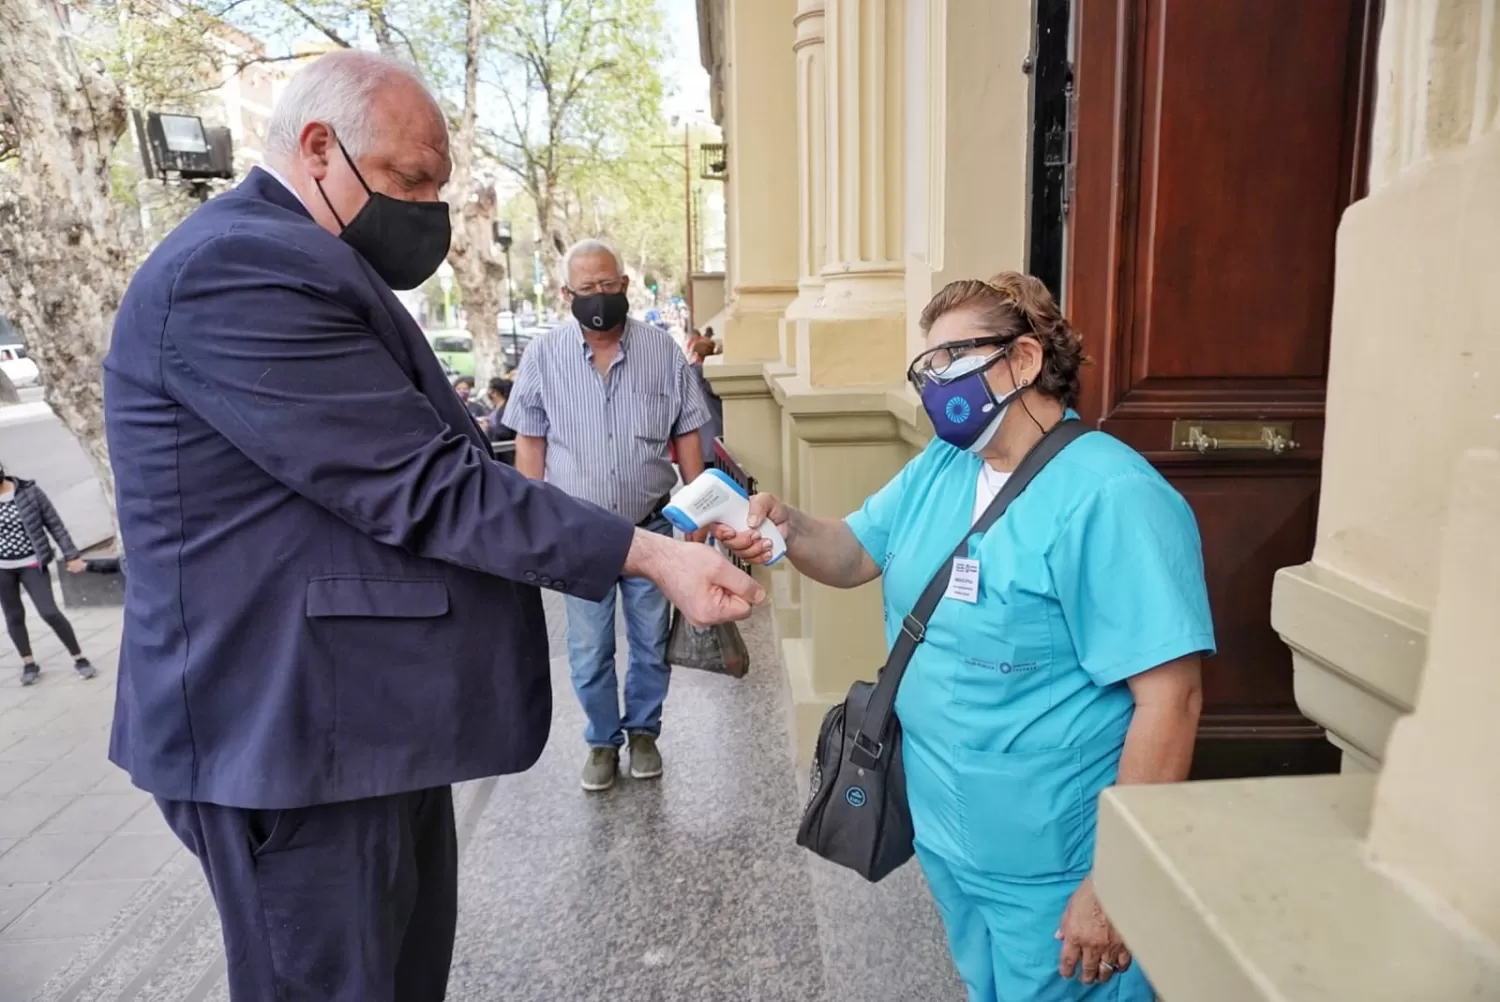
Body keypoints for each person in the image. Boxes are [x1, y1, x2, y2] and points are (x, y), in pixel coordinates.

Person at [103, 51, 761, 1002]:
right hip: (289, 736)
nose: (430, 213)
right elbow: (424, 484)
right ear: (320, 150)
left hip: (355, 725)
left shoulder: (302, 257)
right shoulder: (238, 269)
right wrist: (647, 553)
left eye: (440, 186)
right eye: (412, 180)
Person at [715, 272, 1212, 1002]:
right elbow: (854, 551)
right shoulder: (944, 468)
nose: (932, 380)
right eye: (926, 366)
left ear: (1024, 361)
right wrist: (784, 527)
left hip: (1054, 857)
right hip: (948, 831)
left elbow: (1174, 700)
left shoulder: (1114, 498)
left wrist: (1116, 880)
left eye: (951, 358)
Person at [505, 238, 714, 793]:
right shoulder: (543, 356)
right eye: (585, 289)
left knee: (650, 641)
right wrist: (531, 522)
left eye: (607, 286)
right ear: (565, 293)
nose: (598, 297)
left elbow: (687, 434)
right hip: (580, 536)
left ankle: (644, 732)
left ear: (624, 286)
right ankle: (602, 741)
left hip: (653, 524)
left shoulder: (663, 352)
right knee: (588, 647)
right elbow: (530, 443)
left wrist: (699, 519)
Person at [0, 465, 95, 685]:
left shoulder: (29, 492)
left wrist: (71, 555)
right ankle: (29, 663)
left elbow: (55, 525)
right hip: (3, 569)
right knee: (13, 616)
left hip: (32, 564)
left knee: (49, 612)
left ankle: (79, 658)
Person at [686, 330, 725, 467]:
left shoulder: (692, 374)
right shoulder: (716, 376)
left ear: (696, 355)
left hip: (701, 444)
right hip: (720, 439)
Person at [485, 377, 516, 465]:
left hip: (505, 455)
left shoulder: (507, 409)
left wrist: (489, 427)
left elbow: (505, 431)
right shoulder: (495, 408)